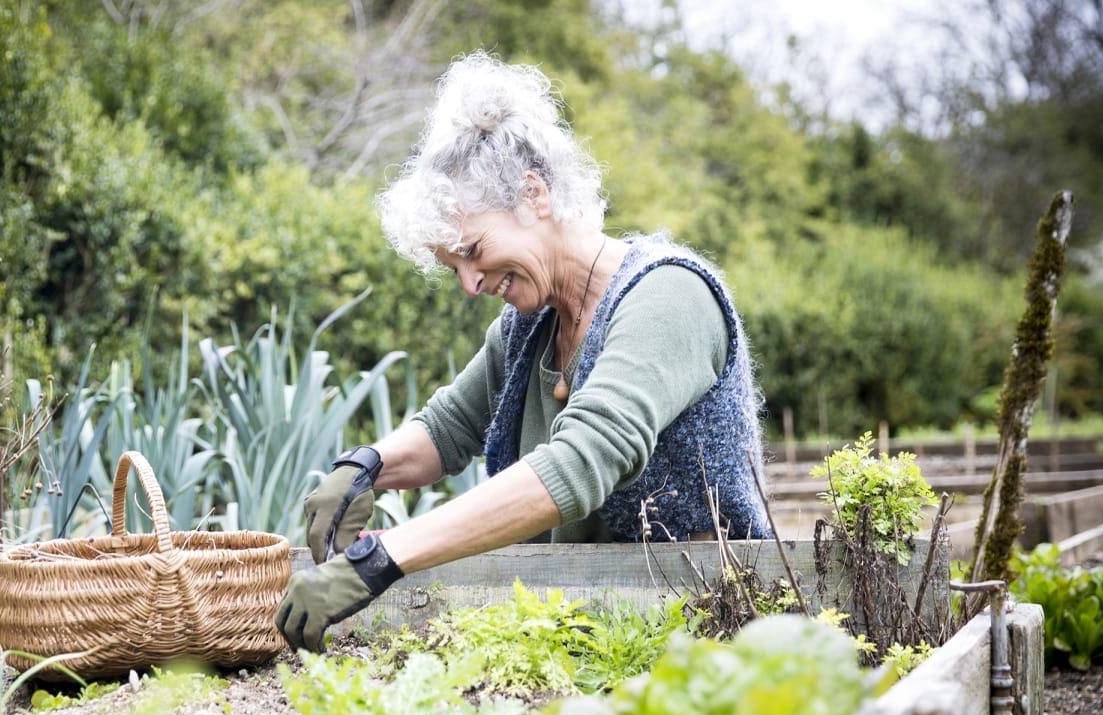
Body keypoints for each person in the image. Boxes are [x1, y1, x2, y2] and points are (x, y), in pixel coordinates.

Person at [275, 52, 771, 653]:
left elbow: (582, 461)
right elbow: (450, 427)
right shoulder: (528, 325)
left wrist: (381, 558)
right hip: (589, 629)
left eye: (473, 250)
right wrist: (364, 469)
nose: (469, 283)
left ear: (534, 196)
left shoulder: (669, 294)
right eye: (452, 266)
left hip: (705, 633)